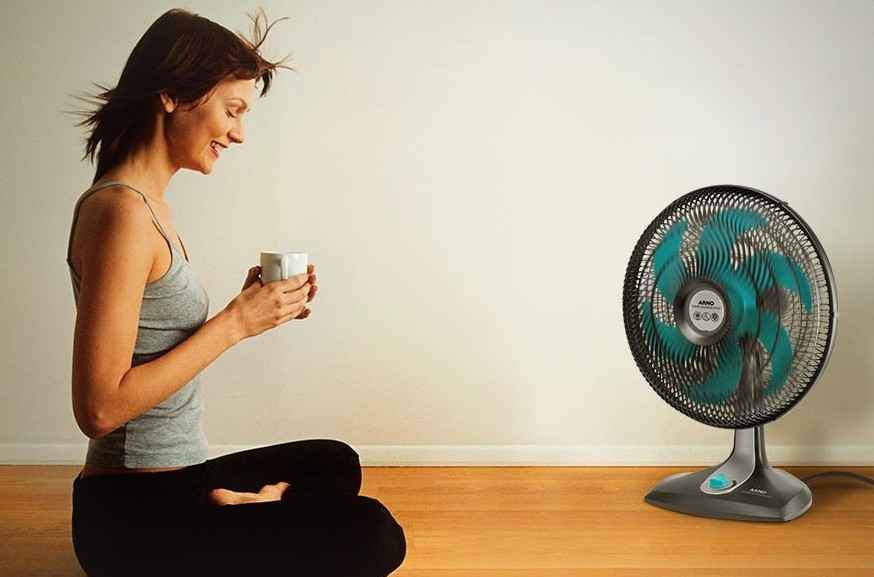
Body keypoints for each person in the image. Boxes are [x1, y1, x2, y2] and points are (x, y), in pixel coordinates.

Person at [67, 8, 405, 577]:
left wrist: (252, 309)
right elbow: (98, 408)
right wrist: (234, 323)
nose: (239, 133)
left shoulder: (148, 208)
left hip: (183, 481)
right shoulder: (123, 212)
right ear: (173, 94)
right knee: (373, 533)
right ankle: (236, 518)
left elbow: (150, 344)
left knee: (333, 461)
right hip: (133, 519)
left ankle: (234, 510)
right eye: (232, 109)